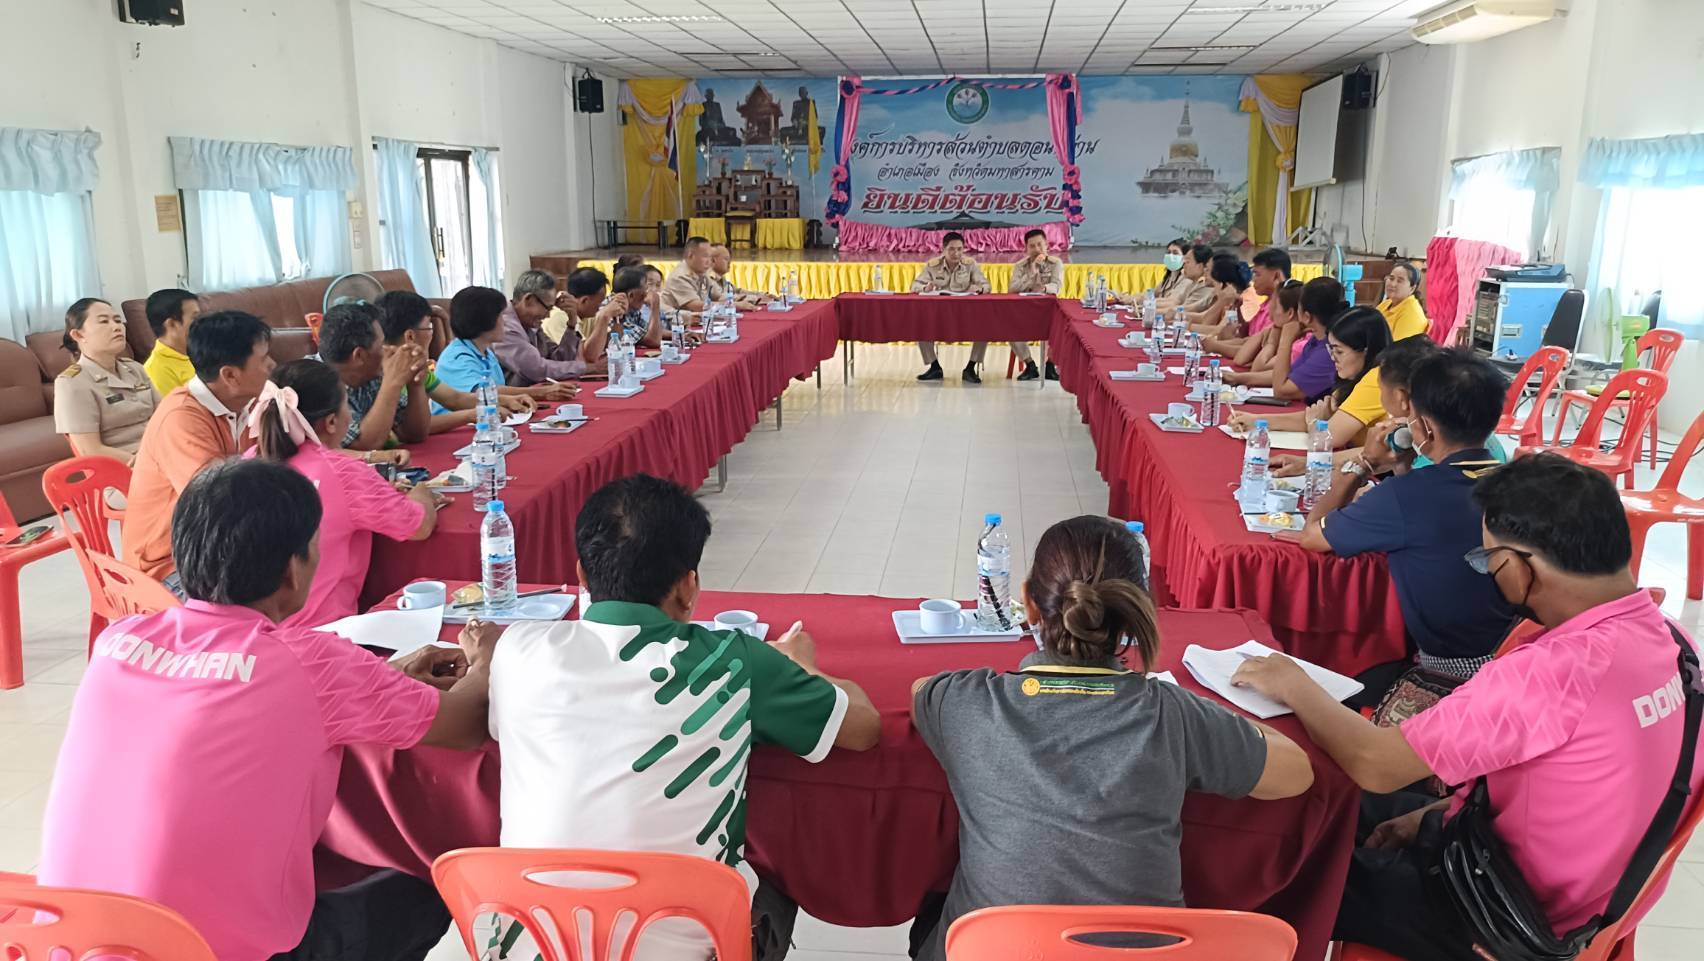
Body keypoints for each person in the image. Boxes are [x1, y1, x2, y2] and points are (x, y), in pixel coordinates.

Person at [1232, 453, 1704, 961]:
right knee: (1334, 798)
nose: (1489, 574)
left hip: (1506, 914)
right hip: (1588, 891)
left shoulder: (1555, 671)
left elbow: (1376, 763)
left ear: (1522, 565)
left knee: (1285, 867)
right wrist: (1436, 814)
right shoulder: (1675, 645)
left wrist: (1295, 683)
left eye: (1488, 560)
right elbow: (1572, 780)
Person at [40, 457, 498, 961]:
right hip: (216, 954)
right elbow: (466, 725)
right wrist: (486, 657)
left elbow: (227, 695)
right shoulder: (310, 663)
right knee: (433, 884)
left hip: (71, 943)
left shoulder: (118, 641)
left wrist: (384, 679)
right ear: (292, 571)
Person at [489, 473, 880, 961]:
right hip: (692, 949)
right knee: (775, 873)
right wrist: (802, 665)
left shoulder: (518, 649)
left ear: (583, 577)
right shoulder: (733, 662)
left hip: (534, 948)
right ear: (688, 587)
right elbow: (863, 728)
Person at [910, 515, 1314, 961]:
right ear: (1137, 612)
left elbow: (920, 691)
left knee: (932, 908)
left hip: (994, 951)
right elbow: (1296, 773)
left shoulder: (965, 702)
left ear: (1029, 603)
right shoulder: (1171, 713)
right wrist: (1213, 718)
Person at [1295, 350, 1517, 696]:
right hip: (1515, 657)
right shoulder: (1517, 481)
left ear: (1424, 427)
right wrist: (1403, 467)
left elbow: (1312, 534)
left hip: (1452, 672)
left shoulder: (1407, 495)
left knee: (1333, 687)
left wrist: (1365, 462)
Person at [249, 360, 441, 627]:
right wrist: (422, 493)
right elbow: (418, 525)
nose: (350, 415)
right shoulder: (342, 473)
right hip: (323, 631)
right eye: (347, 406)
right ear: (331, 422)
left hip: (254, 632)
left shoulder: (246, 463)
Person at [124, 310, 275, 587]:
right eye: (264, 359)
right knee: (278, 588)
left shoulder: (245, 405)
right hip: (168, 565)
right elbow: (220, 501)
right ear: (230, 375)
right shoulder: (181, 418)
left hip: (213, 548)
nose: (272, 365)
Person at [373, 289, 537, 434]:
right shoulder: (381, 377)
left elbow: (455, 398)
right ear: (410, 337)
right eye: (429, 327)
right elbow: (413, 429)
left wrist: (505, 400)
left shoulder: (417, 368)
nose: (432, 334)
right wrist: (471, 414)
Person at [1229, 305, 1393, 449]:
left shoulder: (1376, 380)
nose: (1333, 358)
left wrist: (1314, 422)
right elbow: (1315, 415)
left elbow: (1328, 437)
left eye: (1339, 351)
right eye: (1331, 350)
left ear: (1365, 350)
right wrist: (1257, 421)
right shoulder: (1352, 380)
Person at [433, 287, 575, 412]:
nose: (505, 321)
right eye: (501, 316)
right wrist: (542, 392)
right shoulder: (458, 357)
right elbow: (483, 393)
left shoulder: (486, 353)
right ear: (484, 320)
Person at [54, 297, 159, 465]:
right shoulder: (72, 383)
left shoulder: (135, 369)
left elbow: (163, 418)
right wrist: (148, 464)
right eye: (104, 321)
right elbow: (90, 450)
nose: (117, 326)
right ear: (78, 335)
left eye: (117, 320)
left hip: (160, 454)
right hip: (123, 469)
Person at [316, 302, 430, 450]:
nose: (389, 349)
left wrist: (415, 383)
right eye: (382, 345)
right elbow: (362, 445)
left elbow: (414, 434)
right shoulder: (314, 382)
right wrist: (392, 382)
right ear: (359, 355)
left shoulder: (370, 373)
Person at [1220, 280, 1337, 403]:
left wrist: (1285, 340)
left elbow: (1281, 390)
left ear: (1306, 316)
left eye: (1275, 306)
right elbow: (1291, 375)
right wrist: (1237, 378)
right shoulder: (1315, 340)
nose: (1270, 312)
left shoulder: (1325, 350)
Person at [911, 231, 993, 383]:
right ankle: (934, 367)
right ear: (943, 249)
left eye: (960, 249)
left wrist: (980, 289)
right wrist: (925, 288)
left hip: (965, 313)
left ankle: (970, 368)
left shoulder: (970, 265)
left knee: (985, 328)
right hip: (939, 314)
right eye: (952, 249)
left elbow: (987, 286)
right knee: (920, 325)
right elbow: (914, 285)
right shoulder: (933, 266)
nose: (956, 253)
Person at [496, 270, 588, 385]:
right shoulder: (504, 326)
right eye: (547, 308)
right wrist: (585, 368)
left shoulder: (530, 324)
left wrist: (571, 324)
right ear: (529, 300)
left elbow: (559, 360)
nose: (548, 315)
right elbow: (536, 369)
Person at [1202, 247, 1290, 362]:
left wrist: (1216, 346)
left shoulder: (1283, 308)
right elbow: (1246, 338)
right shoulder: (1266, 304)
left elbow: (1255, 351)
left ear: (1276, 276)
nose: (1253, 280)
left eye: (1257, 275)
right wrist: (1239, 313)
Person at [1005, 227, 1061, 381]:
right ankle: (1030, 365)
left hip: (1048, 312)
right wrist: (1032, 271)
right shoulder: (1020, 266)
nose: (1036, 249)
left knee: (1063, 326)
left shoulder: (1055, 263)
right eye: (1032, 246)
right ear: (1026, 248)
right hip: (1024, 311)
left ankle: (1050, 365)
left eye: (1039, 245)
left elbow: (1056, 286)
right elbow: (1012, 289)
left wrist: (1044, 288)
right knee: (1007, 326)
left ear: (1046, 245)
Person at [582, 266, 662, 367]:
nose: (647, 295)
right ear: (631, 295)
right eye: (645, 291)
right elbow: (653, 340)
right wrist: (655, 306)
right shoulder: (610, 308)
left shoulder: (631, 308)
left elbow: (649, 333)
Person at [141, 287, 201, 395]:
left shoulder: (200, 350)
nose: (202, 323)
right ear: (171, 324)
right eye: (195, 318)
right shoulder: (157, 371)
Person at [1184, 253, 1249, 333]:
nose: (1204, 271)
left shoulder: (1240, 300)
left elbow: (1220, 330)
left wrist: (1185, 326)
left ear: (1219, 274)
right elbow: (1205, 318)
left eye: (1208, 269)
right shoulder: (1220, 294)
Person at [661, 236, 717, 314]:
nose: (709, 261)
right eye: (705, 256)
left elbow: (719, 294)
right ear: (690, 255)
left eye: (710, 257)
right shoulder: (679, 277)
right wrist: (728, 305)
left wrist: (731, 300)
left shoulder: (702, 272)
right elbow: (697, 306)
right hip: (675, 320)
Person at [1377, 261, 1429, 341]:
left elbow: (1398, 347)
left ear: (1412, 289)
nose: (1393, 284)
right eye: (1391, 278)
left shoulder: (1411, 314)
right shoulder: (1387, 303)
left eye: (1400, 281)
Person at [709, 244, 769, 309]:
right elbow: (725, 298)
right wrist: (757, 298)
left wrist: (763, 295)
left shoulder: (721, 278)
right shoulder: (708, 279)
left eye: (730, 259)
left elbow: (738, 291)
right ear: (713, 260)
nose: (729, 262)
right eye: (726, 259)